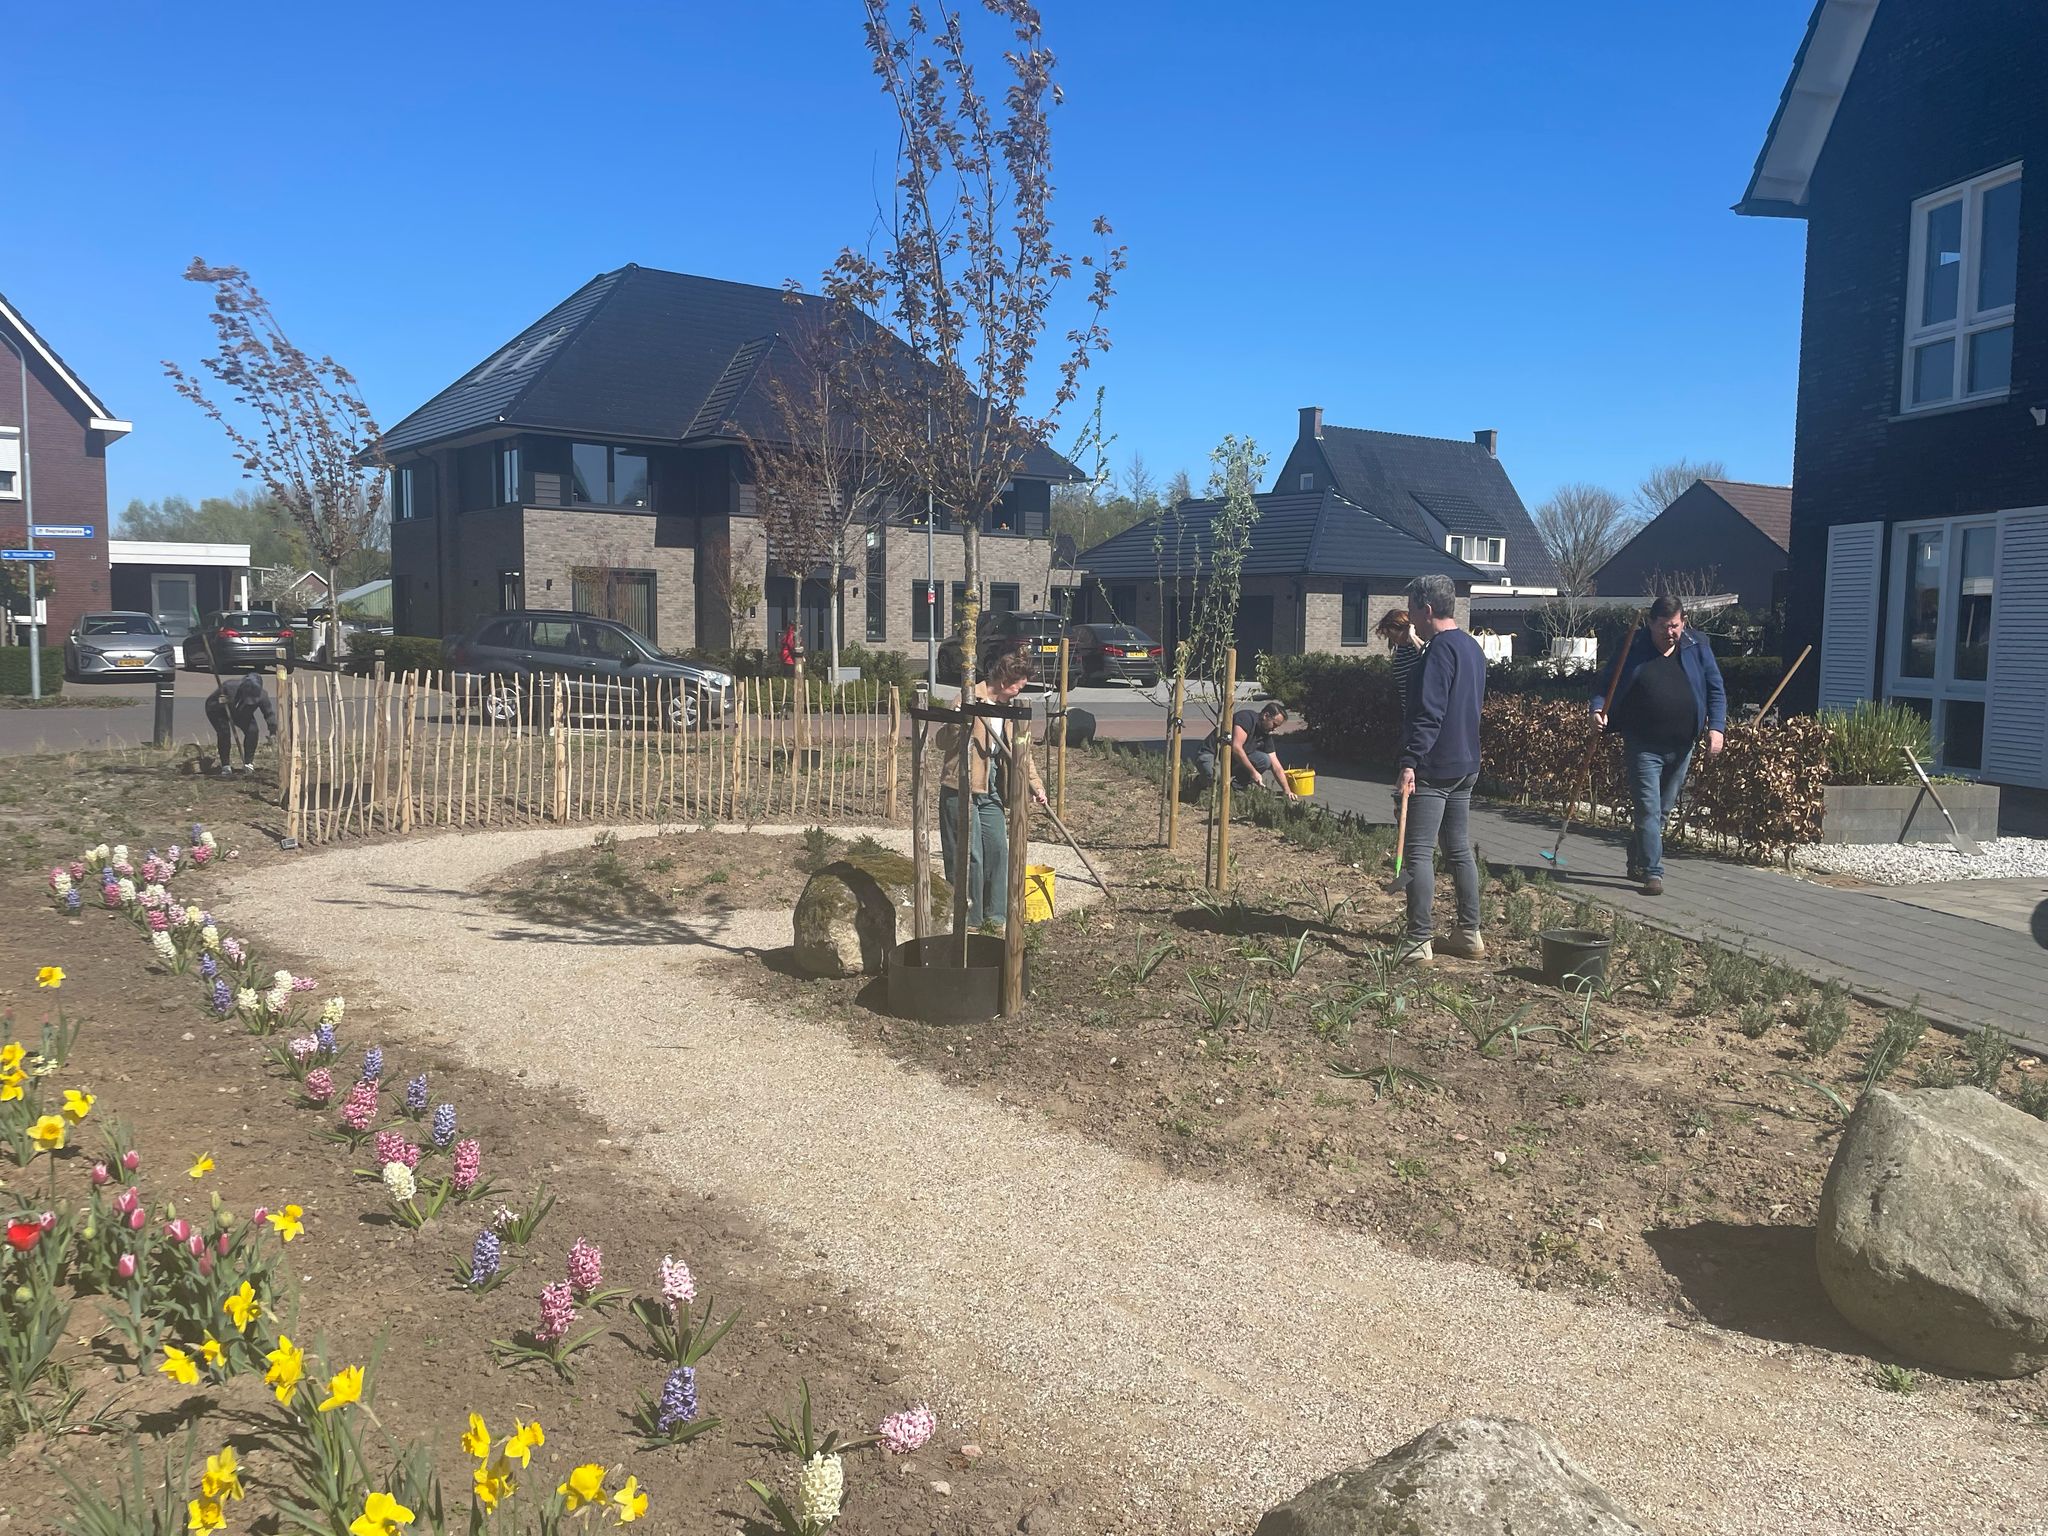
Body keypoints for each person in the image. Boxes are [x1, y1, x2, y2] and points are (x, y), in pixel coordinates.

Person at [1591, 594, 1726, 896]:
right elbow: (1604, 684)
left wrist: (1716, 727)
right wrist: (1597, 711)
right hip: (1643, 744)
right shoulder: (1632, 645)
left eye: (1675, 626)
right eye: (1664, 626)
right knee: (1648, 809)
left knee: (1661, 811)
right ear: (1651, 623)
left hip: (1683, 744)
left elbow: (1716, 689)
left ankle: (1637, 856)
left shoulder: (1697, 646)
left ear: (1684, 622)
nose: (1670, 633)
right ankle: (1653, 873)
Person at [1396, 573, 1486, 964]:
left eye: (1412, 609)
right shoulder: (1471, 647)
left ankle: (1418, 939)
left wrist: (1410, 762)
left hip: (1434, 766)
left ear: (1427, 609)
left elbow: (1429, 714)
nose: (1410, 618)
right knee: (1459, 850)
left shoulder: (1437, 652)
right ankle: (1469, 933)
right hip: (1467, 763)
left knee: (1417, 853)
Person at [936, 648, 1048, 930]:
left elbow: (1023, 753)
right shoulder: (969, 697)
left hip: (991, 786)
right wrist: (958, 722)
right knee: (970, 855)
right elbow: (942, 742)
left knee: (998, 848)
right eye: (1019, 685)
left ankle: (996, 916)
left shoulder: (1010, 710)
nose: (1020, 691)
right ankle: (970, 919)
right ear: (1004, 681)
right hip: (961, 785)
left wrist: (1036, 786)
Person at [1196, 701, 1300, 800]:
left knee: (1264, 760)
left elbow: (1276, 766)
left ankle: (1236, 789)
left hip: (1232, 760)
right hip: (1212, 755)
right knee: (1215, 775)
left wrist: (1287, 791)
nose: (1275, 729)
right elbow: (1236, 748)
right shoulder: (1246, 718)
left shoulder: (1265, 733)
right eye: (1274, 724)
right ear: (1266, 716)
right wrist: (1253, 773)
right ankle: (1198, 783)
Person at [205, 672, 278, 777]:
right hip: (218, 710)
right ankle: (225, 766)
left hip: (241, 712)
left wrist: (273, 732)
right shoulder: (228, 687)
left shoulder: (262, 696)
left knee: (253, 731)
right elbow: (213, 702)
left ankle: (248, 764)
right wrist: (221, 701)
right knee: (224, 733)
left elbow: (269, 713)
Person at [1376, 608, 1425, 711]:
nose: (1394, 641)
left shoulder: (1421, 642)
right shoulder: (1402, 649)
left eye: (1394, 636)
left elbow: (1432, 656)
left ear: (1405, 628)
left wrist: (1413, 638)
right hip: (1409, 710)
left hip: (1424, 710)